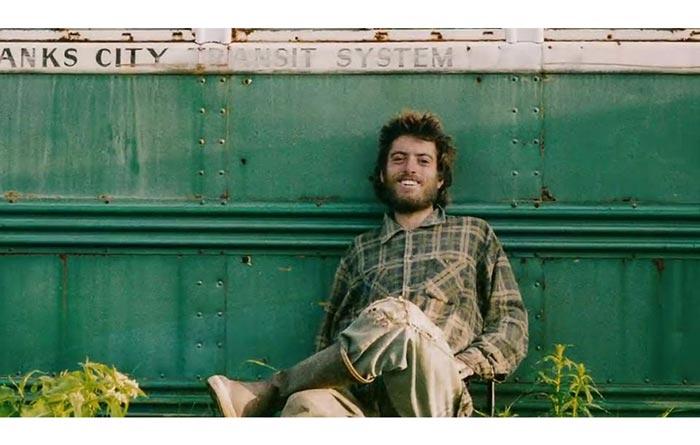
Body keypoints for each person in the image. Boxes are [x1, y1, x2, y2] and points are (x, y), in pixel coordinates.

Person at [207, 110, 529, 417]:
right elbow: (328, 340)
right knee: (305, 405)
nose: (410, 168)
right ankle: (286, 394)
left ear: (441, 178)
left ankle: (271, 391)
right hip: (362, 398)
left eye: (423, 161)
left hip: (431, 391)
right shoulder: (361, 249)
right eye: (398, 159)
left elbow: (511, 321)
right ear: (383, 173)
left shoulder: (473, 235)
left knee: (398, 314)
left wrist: (468, 362)